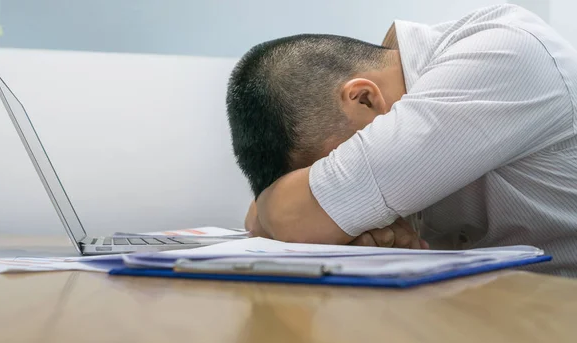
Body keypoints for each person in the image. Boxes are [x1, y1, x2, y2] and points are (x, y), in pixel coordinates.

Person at [226, 4, 577, 273]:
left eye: (332, 165)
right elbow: (272, 214)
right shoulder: (410, 96)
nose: (334, 172)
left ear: (364, 97)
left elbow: (286, 216)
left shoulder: (503, 54)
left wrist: (313, 213)